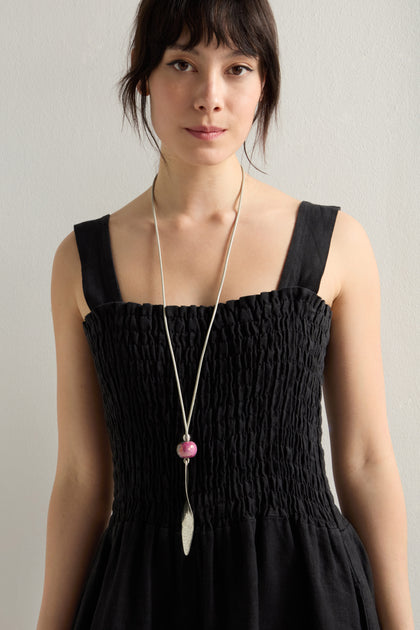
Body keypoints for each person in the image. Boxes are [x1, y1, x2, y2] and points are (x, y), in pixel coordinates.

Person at [37, 1, 414, 628]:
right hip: (141, 594)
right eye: (182, 63)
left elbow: (366, 460)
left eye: (237, 68)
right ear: (144, 77)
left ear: (263, 83)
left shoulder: (332, 243)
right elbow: (80, 478)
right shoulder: (81, 260)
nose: (209, 97)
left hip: (306, 592)